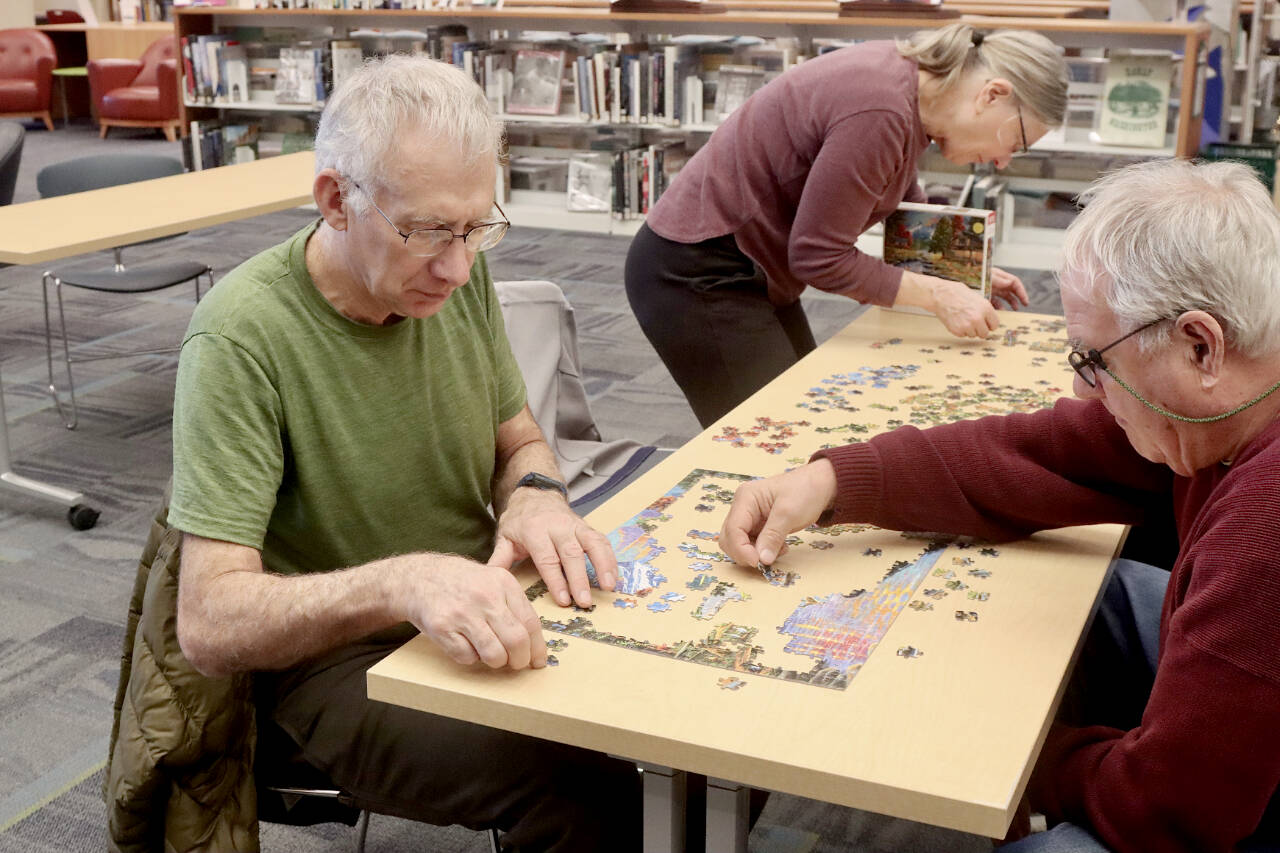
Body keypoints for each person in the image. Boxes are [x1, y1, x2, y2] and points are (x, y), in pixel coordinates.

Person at [717, 158, 1280, 852]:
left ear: (1201, 344)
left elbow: (1165, 810)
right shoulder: (1229, 402)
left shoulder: (1264, 525)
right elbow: (1039, 452)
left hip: (1237, 813)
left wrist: (1024, 761)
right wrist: (831, 481)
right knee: (1102, 593)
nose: (1082, 391)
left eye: (1095, 362)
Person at [166, 55, 640, 851]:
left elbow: (519, 438)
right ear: (336, 202)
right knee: (587, 784)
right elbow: (208, 622)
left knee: (696, 730)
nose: (457, 266)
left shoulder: (456, 278)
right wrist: (403, 581)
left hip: (479, 594)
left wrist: (534, 492)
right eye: (425, 231)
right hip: (334, 664)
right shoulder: (239, 337)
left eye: (474, 227)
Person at [625, 22, 1069, 428]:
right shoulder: (882, 110)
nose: (1004, 160)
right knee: (774, 440)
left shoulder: (912, 87)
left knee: (802, 422)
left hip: (749, 265)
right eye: (1017, 141)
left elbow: (895, 191)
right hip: (696, 271)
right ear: (992, 94)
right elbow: (819, 257)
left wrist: (960, 272)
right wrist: (939, 294)